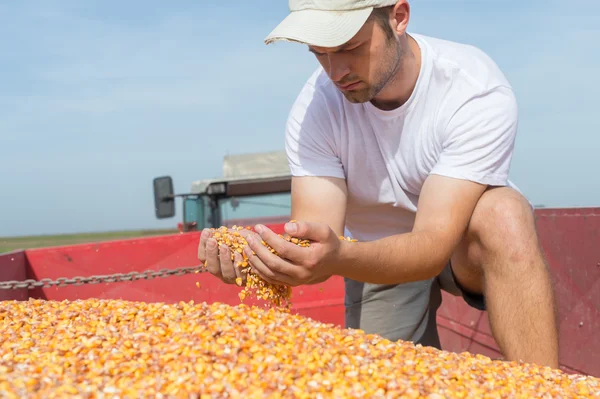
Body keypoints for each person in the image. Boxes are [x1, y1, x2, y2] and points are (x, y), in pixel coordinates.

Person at [198, 0, 559, 369]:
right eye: (319, 54)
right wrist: (267, 262)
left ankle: (547, 389)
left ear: (398, 17)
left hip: (456, 245)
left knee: (504, 212)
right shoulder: (314, 111)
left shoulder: (472, 89)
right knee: (377, 380)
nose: (336, 72)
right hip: (374, 257)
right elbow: (315, 250)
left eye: (349, 48)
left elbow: (432, 245)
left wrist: (339, 256)